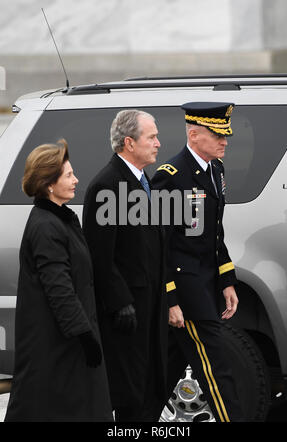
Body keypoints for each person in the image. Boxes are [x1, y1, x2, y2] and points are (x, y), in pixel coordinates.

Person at [5, 139, 113, 422]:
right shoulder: (46, 226)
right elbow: (60, 289)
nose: (77, 179)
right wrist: (85, 336)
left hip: (66, 341)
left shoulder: (60, 219)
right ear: (48, 184)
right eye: (68, 175)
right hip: (56, 345)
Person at [152, 102, 244, 422]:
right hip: (185, 288)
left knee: (164, 372)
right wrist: (170, 298)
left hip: (206, 283)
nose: (225, 141)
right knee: (215, 365)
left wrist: (227, 279)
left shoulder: (216, 170)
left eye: (225, 135)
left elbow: (214, 233)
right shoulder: (170, 177)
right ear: (194, 134)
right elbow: (158, 246)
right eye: (217, 135)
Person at [82, 110, 173, 422]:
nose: (159, 143)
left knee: (152, 388)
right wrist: (120, 302)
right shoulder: (106, 185)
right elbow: (99, 254)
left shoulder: (145, 181)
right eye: (152, 137)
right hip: (127, 314)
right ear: (129, 143)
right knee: (130, 395)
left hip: (153, 306)